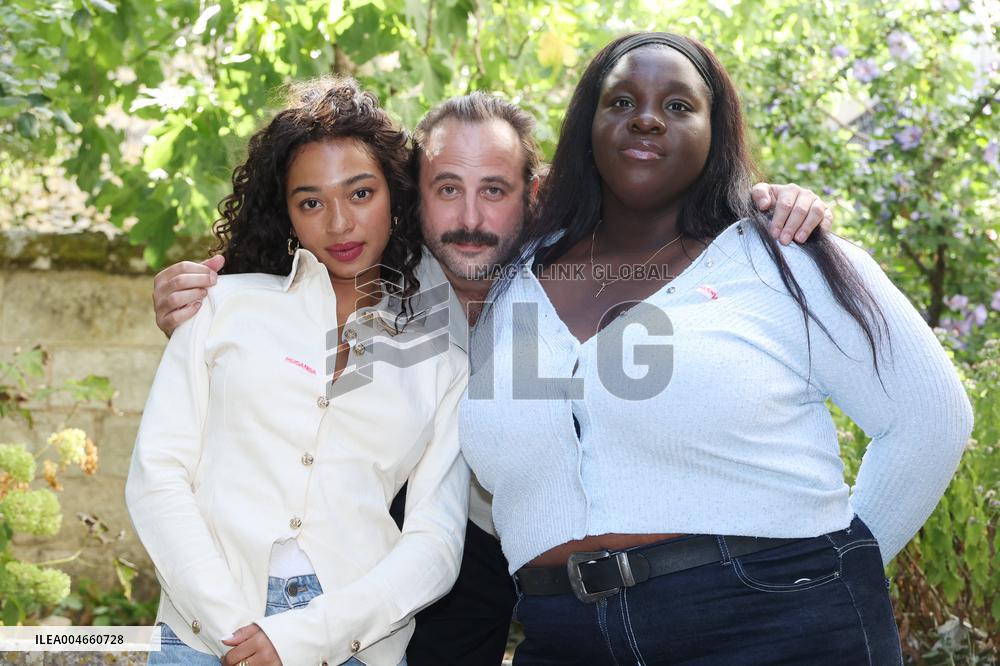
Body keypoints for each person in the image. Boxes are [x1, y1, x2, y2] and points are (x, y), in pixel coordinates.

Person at [150, 92, 834, 664]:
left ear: (531, 195)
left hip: (572, 528)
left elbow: (681, 221)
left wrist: (772, 201)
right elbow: (279, 321)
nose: (470, 219)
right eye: (447, 189)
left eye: (495, 191)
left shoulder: (580, 261)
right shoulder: (384, 267)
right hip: (458, 530)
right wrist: (193, 304)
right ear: (416, 194)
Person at [460, 32, 973, 665]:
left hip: (772, 624)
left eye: (678, 106)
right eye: (621, 101)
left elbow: (930, 418)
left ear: (716, 132)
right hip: (562, 632)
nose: (647, 118)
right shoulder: (508, 279)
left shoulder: (786, 258)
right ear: (586, 126)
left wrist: (838, 567)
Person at [125, 77, 470, 666]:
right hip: (202, 637)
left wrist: (305, 638)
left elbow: (435, 544)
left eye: (360, 193)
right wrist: (232, 628)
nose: (339, 223)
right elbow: (157, 474)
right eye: (311, 202)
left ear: (395, 197)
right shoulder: (221, 308)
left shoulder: (442, 364)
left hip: (353, 643)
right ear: (286, 214)